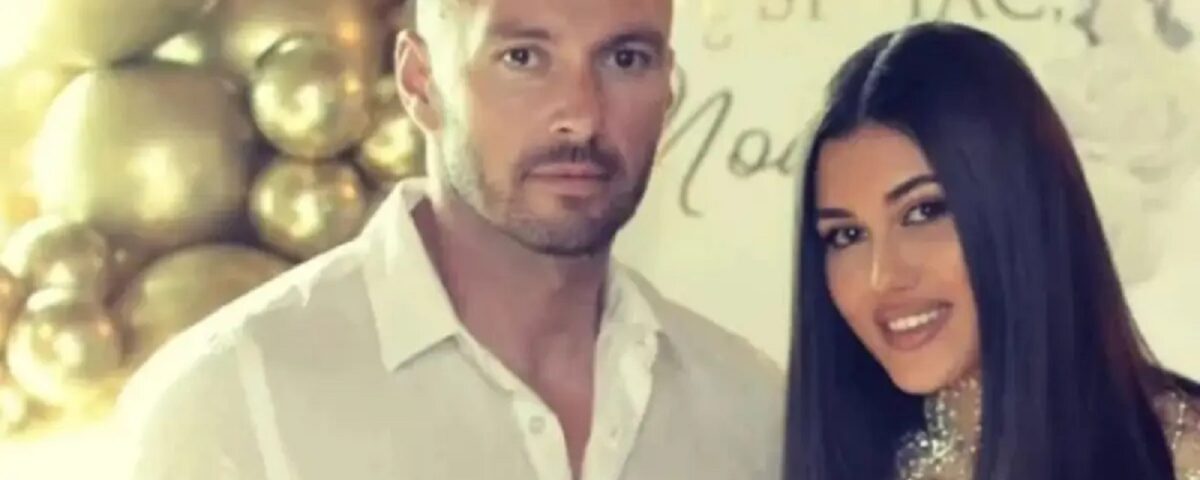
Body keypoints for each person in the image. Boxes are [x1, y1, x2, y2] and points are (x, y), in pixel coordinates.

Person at [112, 0, 783, 478]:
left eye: (626, 58)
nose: (581, 115)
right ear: (419, 82)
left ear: (668, 90)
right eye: (524, 57)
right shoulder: (227, 399)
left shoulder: (752, 410)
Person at [783, 22, 1200, 480]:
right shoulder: (849, 458)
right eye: (846, 235)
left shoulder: (1179, 456)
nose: (881, 276)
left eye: (924, 211)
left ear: (1020, 209)